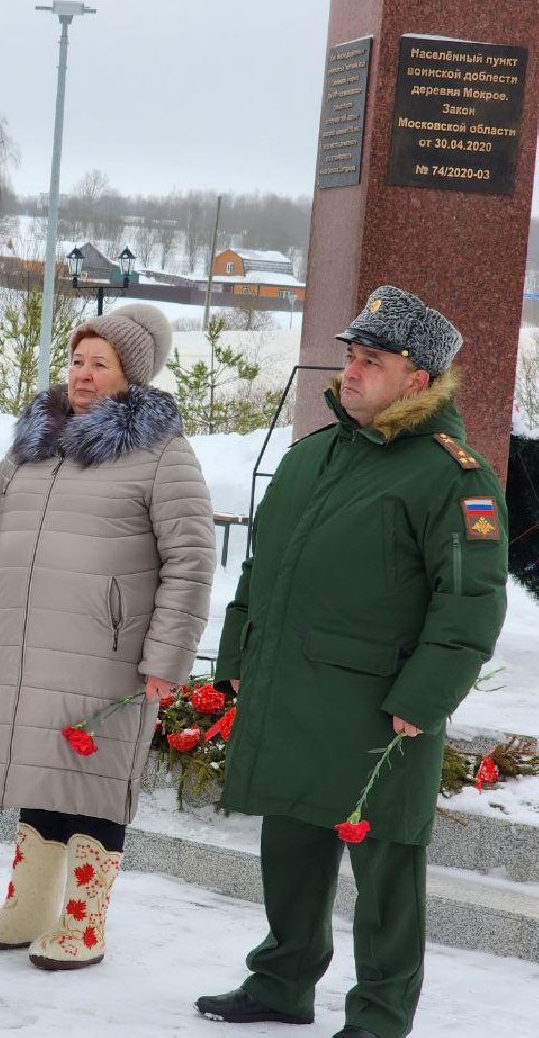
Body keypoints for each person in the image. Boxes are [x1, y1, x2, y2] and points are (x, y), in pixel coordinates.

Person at [195, 286, 508, 1038]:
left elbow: (471, 602)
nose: (353, 371)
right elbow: (262, 568)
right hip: (293, 689)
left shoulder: (453, 476)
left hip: (380, 705)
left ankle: (379, 1013)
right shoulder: (313, 456)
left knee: (386, 869)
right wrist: (238, 654)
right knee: (290, 844)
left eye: (374, 360)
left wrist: (425, 697)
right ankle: (282, 980)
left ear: (418, 380)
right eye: (352, 357)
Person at [0, 303, 215, 970]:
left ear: (131, 377)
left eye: (101, 364)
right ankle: (27, 909)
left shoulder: (163, 454)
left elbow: (190, 560)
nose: (84, 374)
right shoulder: (33, 444)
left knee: (93, 779)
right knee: (42, 774)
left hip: (109, 652)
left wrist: (167, 657)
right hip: (27, 641)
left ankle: (83, 921)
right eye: (77, 361)